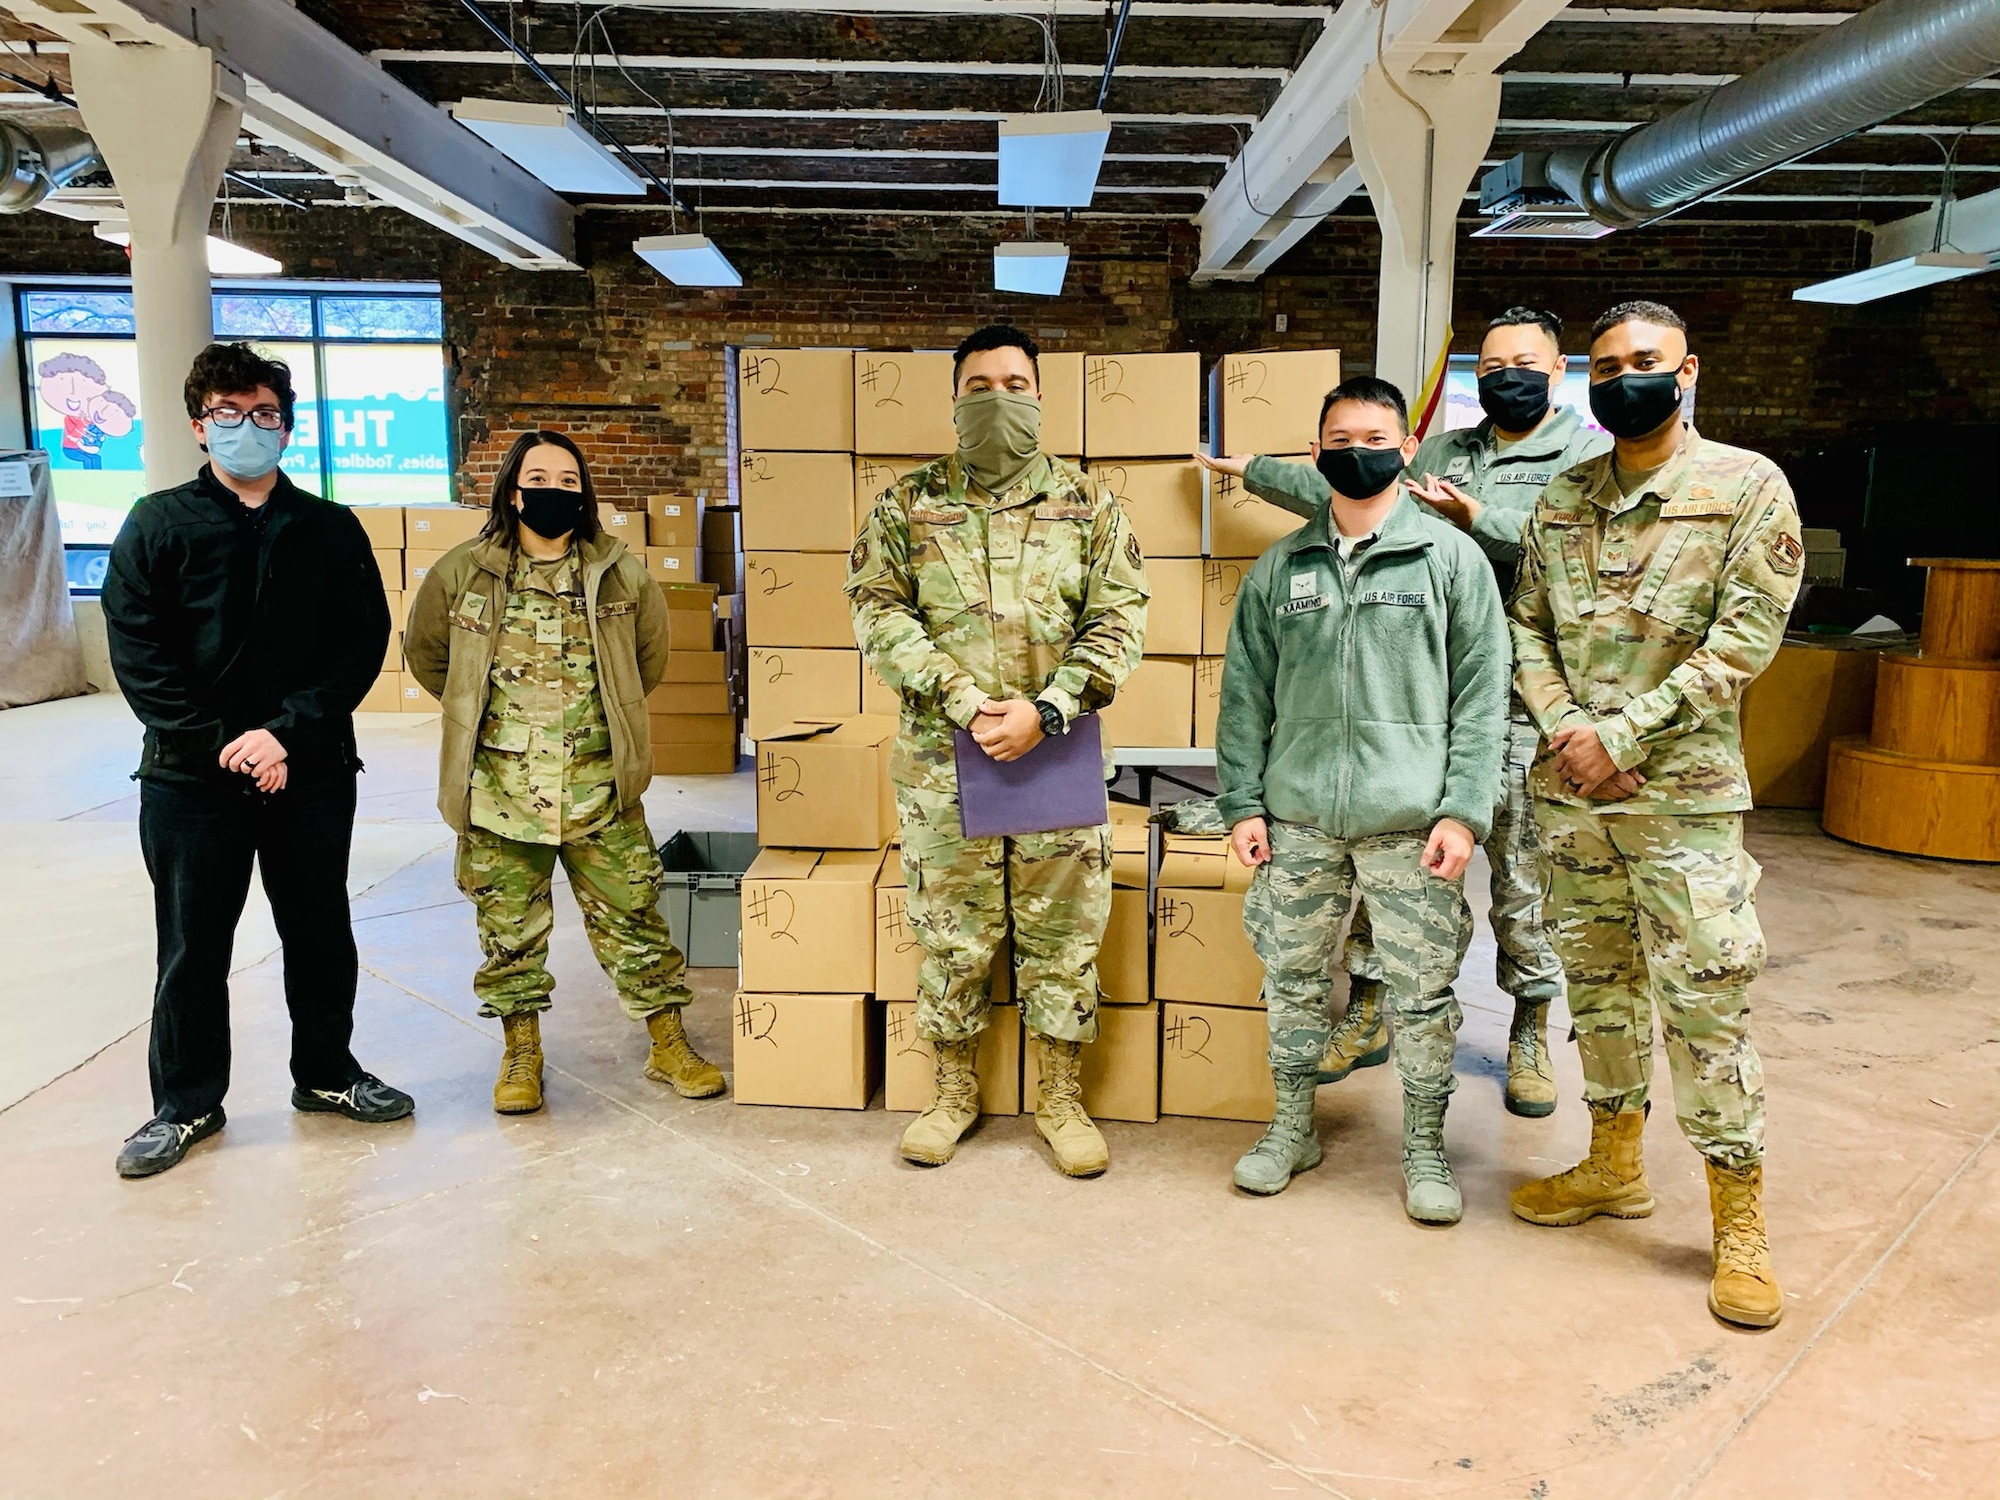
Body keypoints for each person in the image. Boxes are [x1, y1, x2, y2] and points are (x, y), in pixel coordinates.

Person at [1199, 307, 1609, 1119]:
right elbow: (1357, 477)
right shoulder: (1450, 449)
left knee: (1522, 879)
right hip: (1410, 682)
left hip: (1533, 688)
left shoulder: (1588, 457)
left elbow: (1578, 551)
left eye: (1522, 362)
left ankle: (1529, 1026)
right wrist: (1250, 467)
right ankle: (1371, 1009)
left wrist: (1474, 520)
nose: (1505, 378)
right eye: (1489, 367)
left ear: (1558, 370)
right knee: (1393, 862)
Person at [1507, 300, 1802, 1329]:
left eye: (1643, 361)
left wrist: (1619, 738)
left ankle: (1736, 1218)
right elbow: (1525, 630)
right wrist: (1565, 734)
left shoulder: (1743, 489)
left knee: (1706, 999)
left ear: (1685, 371)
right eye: (1603, 365)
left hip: (1679, 803)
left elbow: (1743, 644)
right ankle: (1611, 1165)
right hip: (1571, 795)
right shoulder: (1559, 497)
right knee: (1596, 986)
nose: (1622, 377)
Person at [102, 342, 412, 1179]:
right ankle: (186, 1103)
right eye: (230, 416)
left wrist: (286, 735)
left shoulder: (328, 527)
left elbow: (360, 646)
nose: (249, 429)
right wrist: (225, 747)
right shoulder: (156, 525)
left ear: (288, 425)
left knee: (318, 930)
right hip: (189, 779)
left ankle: (327, 1074)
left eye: (265, 414)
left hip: (306, 772)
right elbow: (140, 656)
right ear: (200, 426)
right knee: (192, 944)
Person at [846, 324, 1149, 1178]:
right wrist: (963, 699)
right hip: (947, 761)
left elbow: (1121, 618)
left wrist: (1049, 708)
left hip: (1057, 753)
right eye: (978, 385)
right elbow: (876, 610)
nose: (997, 398)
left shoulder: (1088, 504)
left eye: (1014, 383)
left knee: (1064, 935)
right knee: (953, 934)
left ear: (1041, 396)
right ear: (953, 399)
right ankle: (952, 1094)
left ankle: (1058, 1097)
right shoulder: (906, 505)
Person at [1213, 376, 1508, 1221]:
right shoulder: (1283, 565)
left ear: (1407, 449)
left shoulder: (1450, 560)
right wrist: (1242, 803)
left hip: (1409, 823)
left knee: (1419, 993)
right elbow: (1245, 697)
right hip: (1298, 817)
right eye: (1340, 439)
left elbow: (1482, 696)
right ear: (1316, 454)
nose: (1358, 452)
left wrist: (1463, 811)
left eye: (1376, 437)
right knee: (1295, 980)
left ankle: (1423, 1147)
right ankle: (1292, 1127)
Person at [404, 430, 723, 1115]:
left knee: (635, 916)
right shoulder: (463, 571)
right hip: (498, 791)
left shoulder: (619, 570)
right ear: (513, 491)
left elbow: (649, 659)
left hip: (599, 785)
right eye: (540, 478)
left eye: (570, 481)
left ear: (584, 496)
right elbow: (430, 656)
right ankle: (522, 1051)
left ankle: (669, 1043)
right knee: (508, 930)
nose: (555, 490)